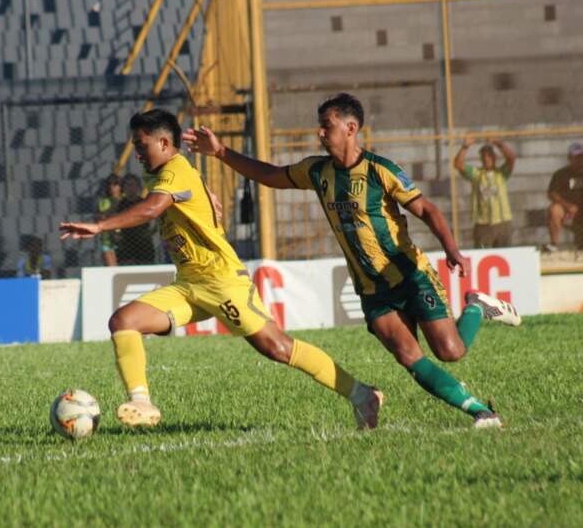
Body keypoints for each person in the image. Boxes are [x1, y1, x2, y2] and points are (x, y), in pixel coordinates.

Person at [183, 92, 523, 429]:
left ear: (350, 128)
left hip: (409, 275)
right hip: (372, 289)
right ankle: (482, 412)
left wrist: (452, 250)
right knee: (409, 357)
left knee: (451, 351)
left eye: (326, 126)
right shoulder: (317, 171)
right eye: (320, 126)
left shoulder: (380, 170)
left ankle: (476, 306)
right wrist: (221, 152)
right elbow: (271, 175)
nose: (320, 133)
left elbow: (427, 209)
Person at [60, 108, 382, 431]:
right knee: (123, 321)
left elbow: (154, 207)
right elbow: (177, 197)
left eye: (141, 146)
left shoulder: (174, 168)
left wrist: (100, 225)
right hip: (188, 285)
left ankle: (363, 395)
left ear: (164, 143)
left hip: (222, 281)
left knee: (278, 348)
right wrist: (204, 193)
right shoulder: (160, 174)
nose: (137, 154)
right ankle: (142, 403)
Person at [453, 135, 516, 248]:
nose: (487, 159)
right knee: (483, 255)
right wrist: (465, 146)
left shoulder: (501, 173)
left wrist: (498, 143)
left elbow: (511, 158)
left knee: (505, 255)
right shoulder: (477, 174)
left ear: (495, 157)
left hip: (503, 222)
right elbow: (458, 164)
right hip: (483, 224)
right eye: (484, 156)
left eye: (489, 156)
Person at [546, 142, 583, 252]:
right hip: (567, 210)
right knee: (554, 210)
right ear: (569, 158)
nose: (579, 160)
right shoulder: (560, 174)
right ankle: (554, 244)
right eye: (576, 157)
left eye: (581, 157)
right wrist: (567, 206)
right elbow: (552, 193)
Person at [116, 173, 156, 265]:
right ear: (123, 188)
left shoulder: (144, 203)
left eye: (133, 185)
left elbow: (156, 220)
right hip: (126, 243)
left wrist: (150, 233)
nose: (130, 188)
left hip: (143, 243)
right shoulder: (120, 205)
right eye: (128, 185)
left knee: (146, 268)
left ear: (138, 187)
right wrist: (116, 234)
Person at [97, 174, 123, 266]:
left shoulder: (125, 199)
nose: (112, 187)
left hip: (125, 239)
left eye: (115, 184)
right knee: (112, 268)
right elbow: (103, 218)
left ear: (120, 186)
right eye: (110, 185)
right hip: (108, 239)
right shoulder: (104, 201)